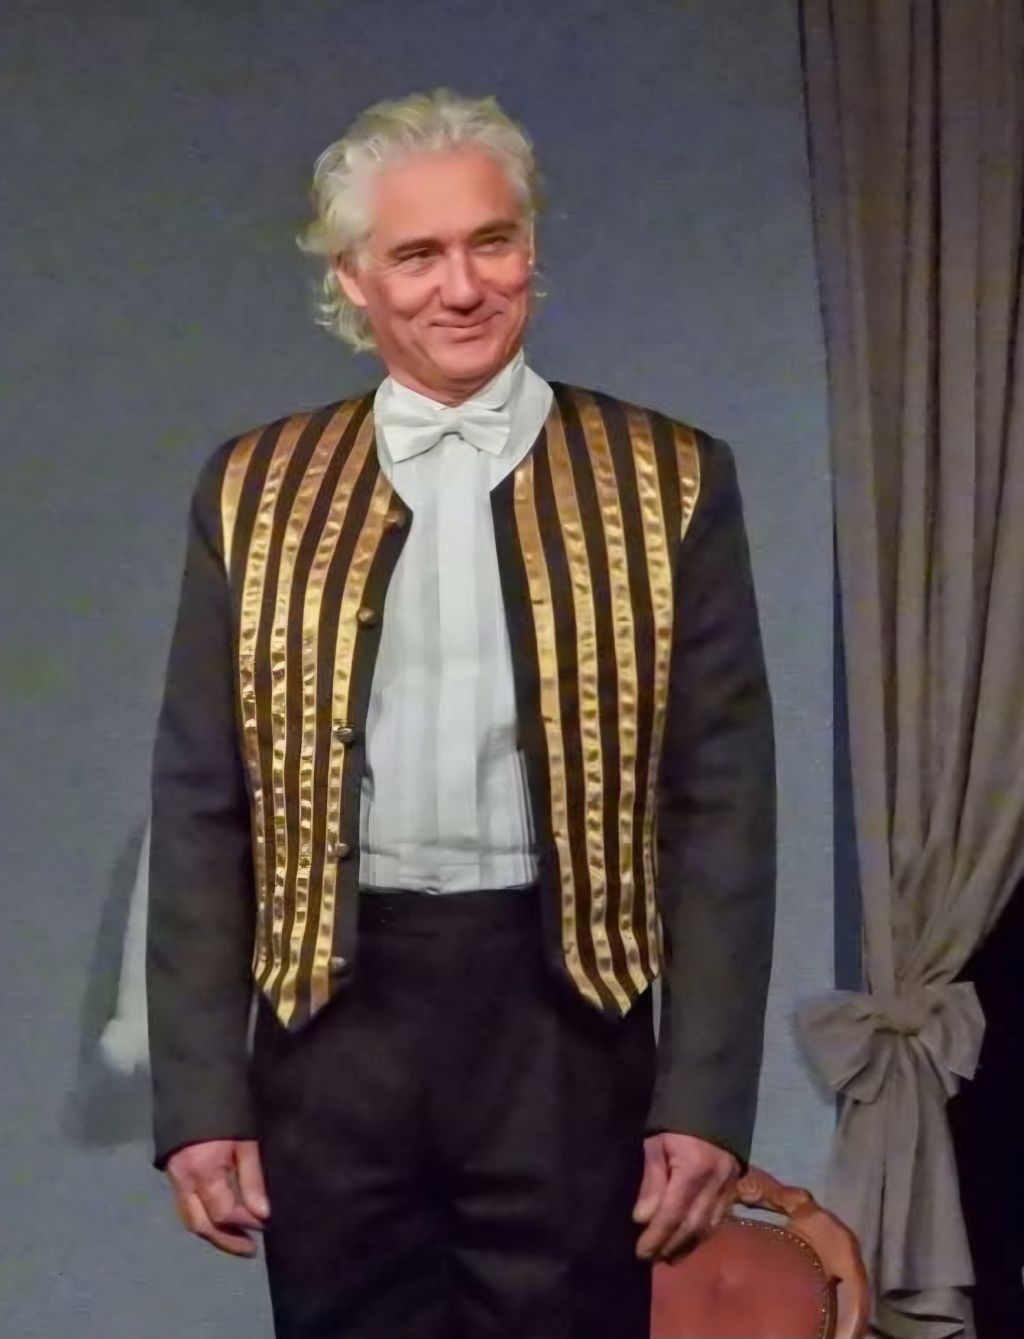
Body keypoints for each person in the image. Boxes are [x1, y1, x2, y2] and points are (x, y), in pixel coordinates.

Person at [147, 87, 776, 1339]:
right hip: (331, 1025)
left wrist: (702, 1097)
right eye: (418, 254)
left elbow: (722, 804)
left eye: (491, 242)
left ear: (530, 249)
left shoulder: (668, 478)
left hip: (565, 1022)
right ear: (354, 280)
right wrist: (202, 1096)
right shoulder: (254, 488)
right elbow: (202, 798)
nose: (463, 286)